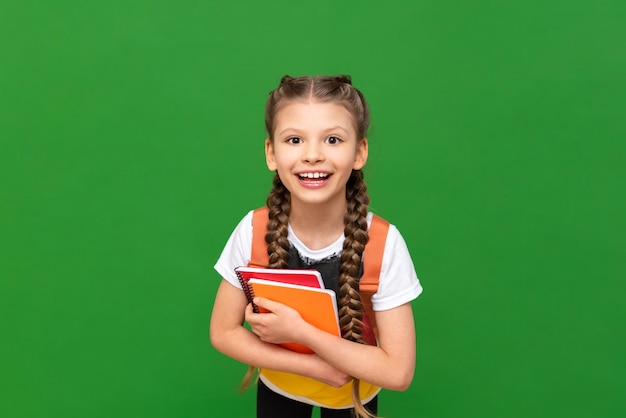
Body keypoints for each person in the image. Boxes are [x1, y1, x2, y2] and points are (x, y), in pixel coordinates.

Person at [210, 74, 423, 418]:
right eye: (294, 139)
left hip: (353, 400)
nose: (312, 155)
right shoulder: (254, 229)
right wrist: (312, 367)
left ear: (359, 152)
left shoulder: (384, 243)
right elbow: (223, 332)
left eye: (333, 140)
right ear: (271, 153)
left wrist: (302, 333)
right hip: (279, 390)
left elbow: (398, 373)